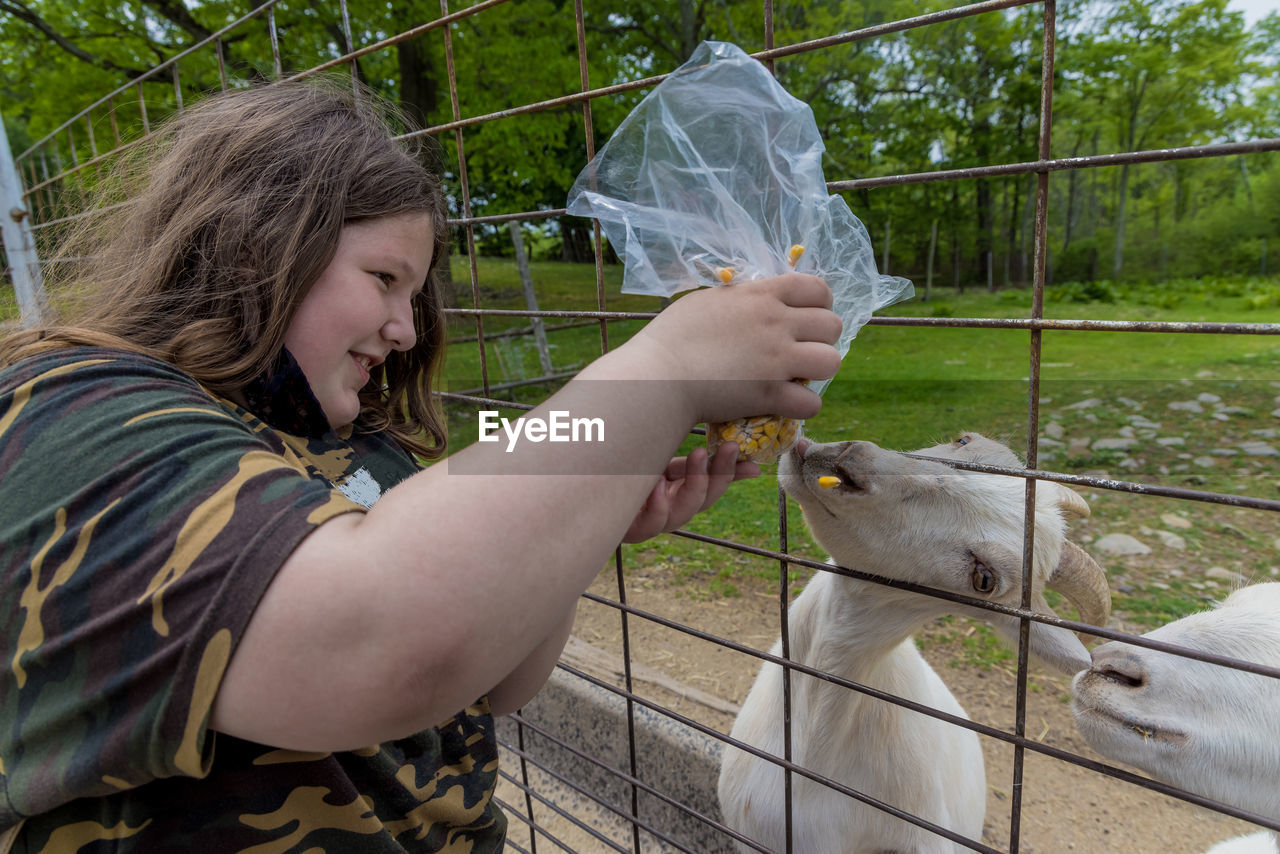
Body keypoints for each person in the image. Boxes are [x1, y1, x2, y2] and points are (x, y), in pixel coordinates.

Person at [0, 79, 841, 853]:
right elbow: (379, 642)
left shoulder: (367, 447)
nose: (405, 329)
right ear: (257, 248)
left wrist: (585, 521)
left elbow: (494, 681)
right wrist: (663, 370)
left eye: (415, 295)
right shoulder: (73, 413)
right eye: (383, 278)